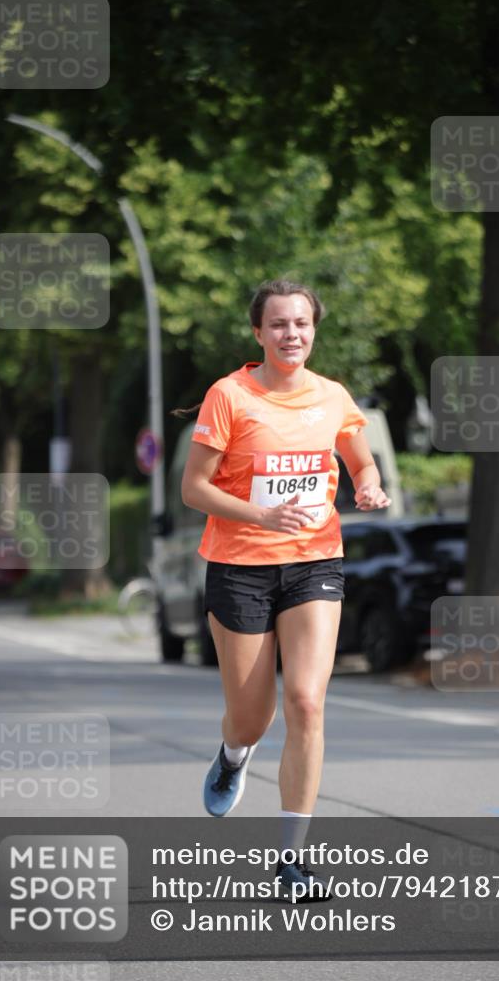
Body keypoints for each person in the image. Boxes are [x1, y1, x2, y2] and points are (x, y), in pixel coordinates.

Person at [180, 279, 391, 901]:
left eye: (301, 323)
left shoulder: (333, 398)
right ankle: (233, 752)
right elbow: (194, 489)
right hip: (240, 566)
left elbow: (363, 461)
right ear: (258, 333)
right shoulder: (230, 396)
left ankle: (292, 861)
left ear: (314, 330)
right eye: (278, 324)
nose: (291, 334)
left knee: (305, 701)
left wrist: (371, 486)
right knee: (253, 717)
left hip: (314, 562)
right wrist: (259, 515)